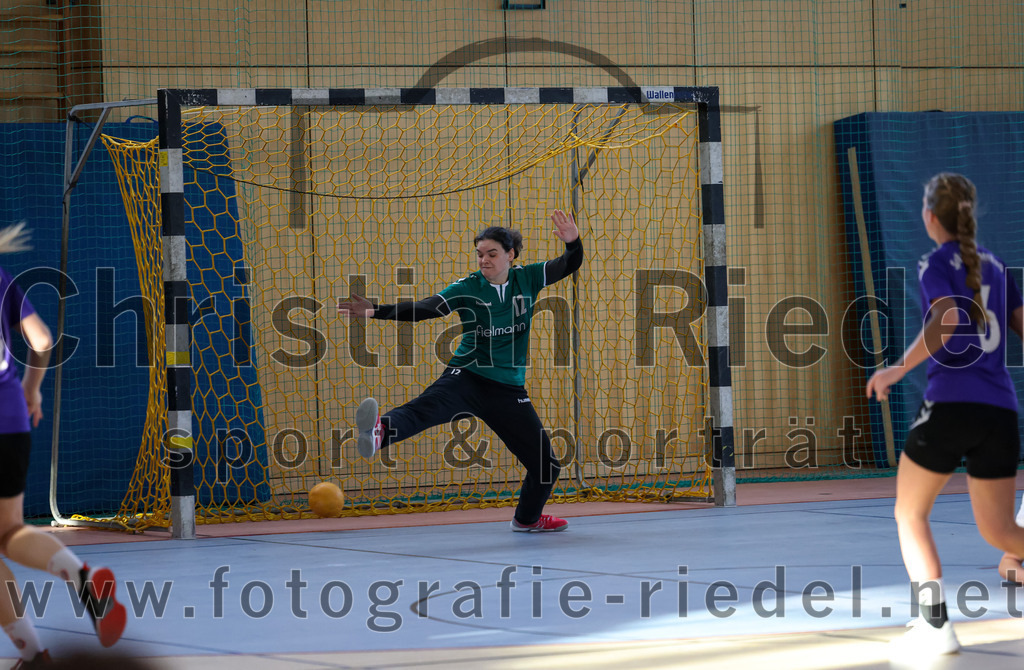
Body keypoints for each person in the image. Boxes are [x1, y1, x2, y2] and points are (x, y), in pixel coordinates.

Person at [338, 210, 582, 532]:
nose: (484, 260)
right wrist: (376, 310)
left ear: (510, 255)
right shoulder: (468, 287)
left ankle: (527, 520)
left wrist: (573, 243)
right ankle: (380, 431)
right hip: (466, 375)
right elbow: (426, 309)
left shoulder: (529, 278)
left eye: (492, 254)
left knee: (546, 464)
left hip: (507, 389)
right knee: (423, 409)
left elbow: (569, 264)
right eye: (480, 254)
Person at [866, 173, 1024, 659]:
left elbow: (949, 319)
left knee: (909, 512)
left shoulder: (934, 263)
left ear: (930, 216)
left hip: (952, 404)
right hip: (1001, 412)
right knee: (1000, 532)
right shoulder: (996, 266)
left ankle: (934, 627)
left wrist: (897, 368)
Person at [0, 223, 126, 669]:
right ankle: (84, 579)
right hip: (11, 415)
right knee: (9, 530)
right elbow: (42, 341)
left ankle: (35, 658)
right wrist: (31, 392)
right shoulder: (1, 277)